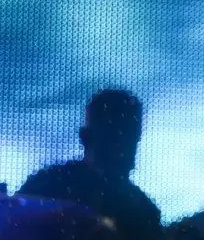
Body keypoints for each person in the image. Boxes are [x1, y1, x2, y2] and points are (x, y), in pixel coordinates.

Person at [17, 89, 165, 240]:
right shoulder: (45, 187)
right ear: (85, 137)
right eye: (113, 135)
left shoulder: (143, 210)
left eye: (129, 135)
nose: (122, 146)